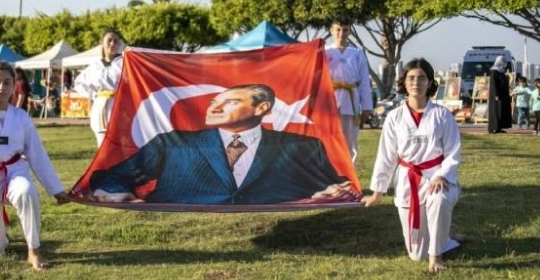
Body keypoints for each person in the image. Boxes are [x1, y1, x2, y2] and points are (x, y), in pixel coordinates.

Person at [90, 84, 359, 205]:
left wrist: (334, 190)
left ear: (262, 107)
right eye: (213, 102)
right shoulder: (171, 144)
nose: (215, 106)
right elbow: (110, 176)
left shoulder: (303, 147)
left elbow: (333, 184)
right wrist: (112, 191)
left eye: (229, 101)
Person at [0, 61, 72, 271]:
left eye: (7, 83)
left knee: (26, 192)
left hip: (14, 171)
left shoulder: (21, 117)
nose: (1, 87)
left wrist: (56, 189)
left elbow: (37, 155)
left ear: (13, 86)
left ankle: (33, 250)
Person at [362, 58, 462, 273]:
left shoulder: (442, 115)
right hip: (408, 182)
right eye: (411, 78)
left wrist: (441, 175)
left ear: (430, 82)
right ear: (404, 83)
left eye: (422, 78)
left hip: (438, 178)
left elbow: (453, 151)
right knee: (417, 255)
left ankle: (436, 256)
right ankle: (446, 236)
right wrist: (377, 193)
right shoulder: (394, 117)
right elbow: (386, 157)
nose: (416, 83)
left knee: (439, 198)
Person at [324, 16, 373, 164]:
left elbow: (364, 81)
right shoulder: (324, 52)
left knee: (350, 142)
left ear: (350, 32)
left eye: (345, 30)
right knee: (329, 141)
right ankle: (332, 179)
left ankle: (351, 179)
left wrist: (366, 107)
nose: (341, 33)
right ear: (331, 31)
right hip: (329, 101)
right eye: (338, 29)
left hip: (350, 102)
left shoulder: (357, 54)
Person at [73, 29, 125, 148]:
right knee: (103, 147)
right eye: (109, 40)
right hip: (100, 107)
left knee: (120, 146)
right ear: (103, 43)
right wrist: (93, 95)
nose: (112, 44)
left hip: (119, 106)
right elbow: (79, 83)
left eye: (116, 41)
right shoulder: (95, 65)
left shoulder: (124, 62)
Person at [487, 56, 512, 134]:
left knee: (501, 111)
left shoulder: (501, 71)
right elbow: (493, 84)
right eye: (503, 61)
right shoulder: (494, 71)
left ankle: (499, 127)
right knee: (496, 111)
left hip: (503, 95)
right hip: (497, 96)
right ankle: (494, 128)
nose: (504, 63)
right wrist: (495, 94)